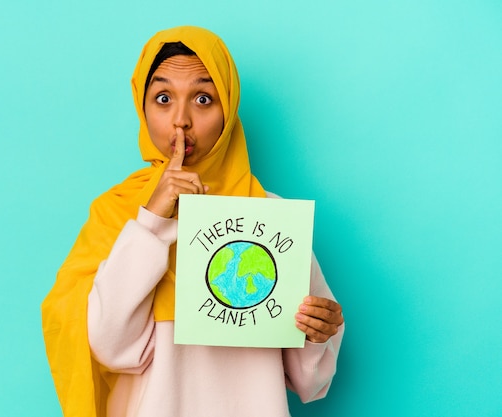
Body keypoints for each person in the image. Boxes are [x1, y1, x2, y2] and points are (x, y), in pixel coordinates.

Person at [41, 25, 344, 417]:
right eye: (163, 98)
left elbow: (311, 382)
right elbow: (111, 349)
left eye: (203, 98)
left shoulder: (270, 217)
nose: (180, 121)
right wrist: (151, 222)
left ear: (228, 109)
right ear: (142, 105)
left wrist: (319, 333)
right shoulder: (117, 212)